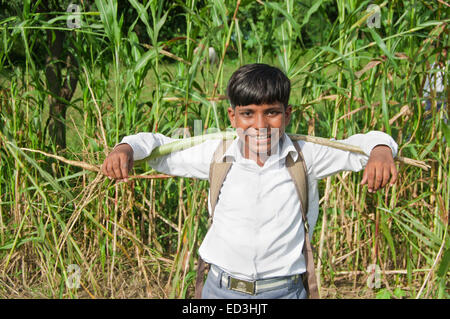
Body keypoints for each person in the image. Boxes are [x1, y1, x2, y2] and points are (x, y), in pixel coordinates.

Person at [101, 63, 398, 299]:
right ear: (232, 117)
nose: (259, 125)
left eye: (271, 113)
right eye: (247, 114)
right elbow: (156, 149)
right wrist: (125, 149)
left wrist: (381, 151)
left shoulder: (307, 155)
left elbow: (362, 146)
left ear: (287, 114)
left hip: (285, 290)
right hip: (220, 290)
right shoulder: (216, 154)